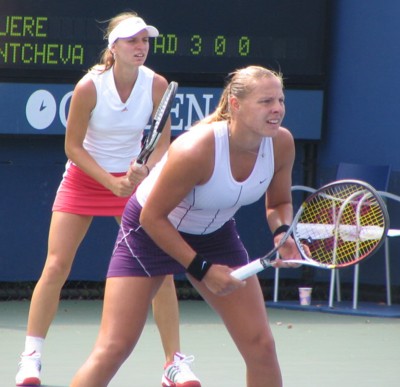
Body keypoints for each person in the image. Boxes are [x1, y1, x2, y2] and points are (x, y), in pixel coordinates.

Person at [70, 65, 303, 387]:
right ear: (235, 105)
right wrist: (203, 269)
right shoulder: (197, 149)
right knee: (114, 347)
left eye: (280, 99)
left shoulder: (281, 144)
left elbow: (278, 204)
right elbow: (151, 218)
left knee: (261, 346)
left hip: (216, 234)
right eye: (265, 101)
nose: (277, 108)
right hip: (148, 232)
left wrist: (282, 232)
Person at [15, 12, 200, 387]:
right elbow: (73, 147)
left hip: (133, 182)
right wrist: (110, 182)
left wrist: (143, 174)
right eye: (132, 41)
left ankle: (173, 364)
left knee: (159, 273)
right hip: (86, 178)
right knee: (56, 266)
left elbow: (163, 144)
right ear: (113, 48)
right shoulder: (89, 87)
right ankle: (31, 358)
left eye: (145, 41)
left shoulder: (156, 84)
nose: (140, 47)